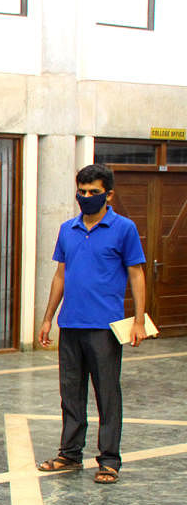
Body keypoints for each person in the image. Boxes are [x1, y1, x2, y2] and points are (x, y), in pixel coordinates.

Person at [36, 164, 147, 484]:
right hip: (71, 324)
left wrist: (138, 320)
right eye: (81, 192)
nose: (86, 197)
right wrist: (47, 318)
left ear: (108, 194)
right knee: (70, 393)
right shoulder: (67, 229)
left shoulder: (124, 228)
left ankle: (109, 460)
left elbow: (136, 275)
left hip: (105, 328)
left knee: (107, 395)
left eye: (93, 192)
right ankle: (69, 454)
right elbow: (61, 275)